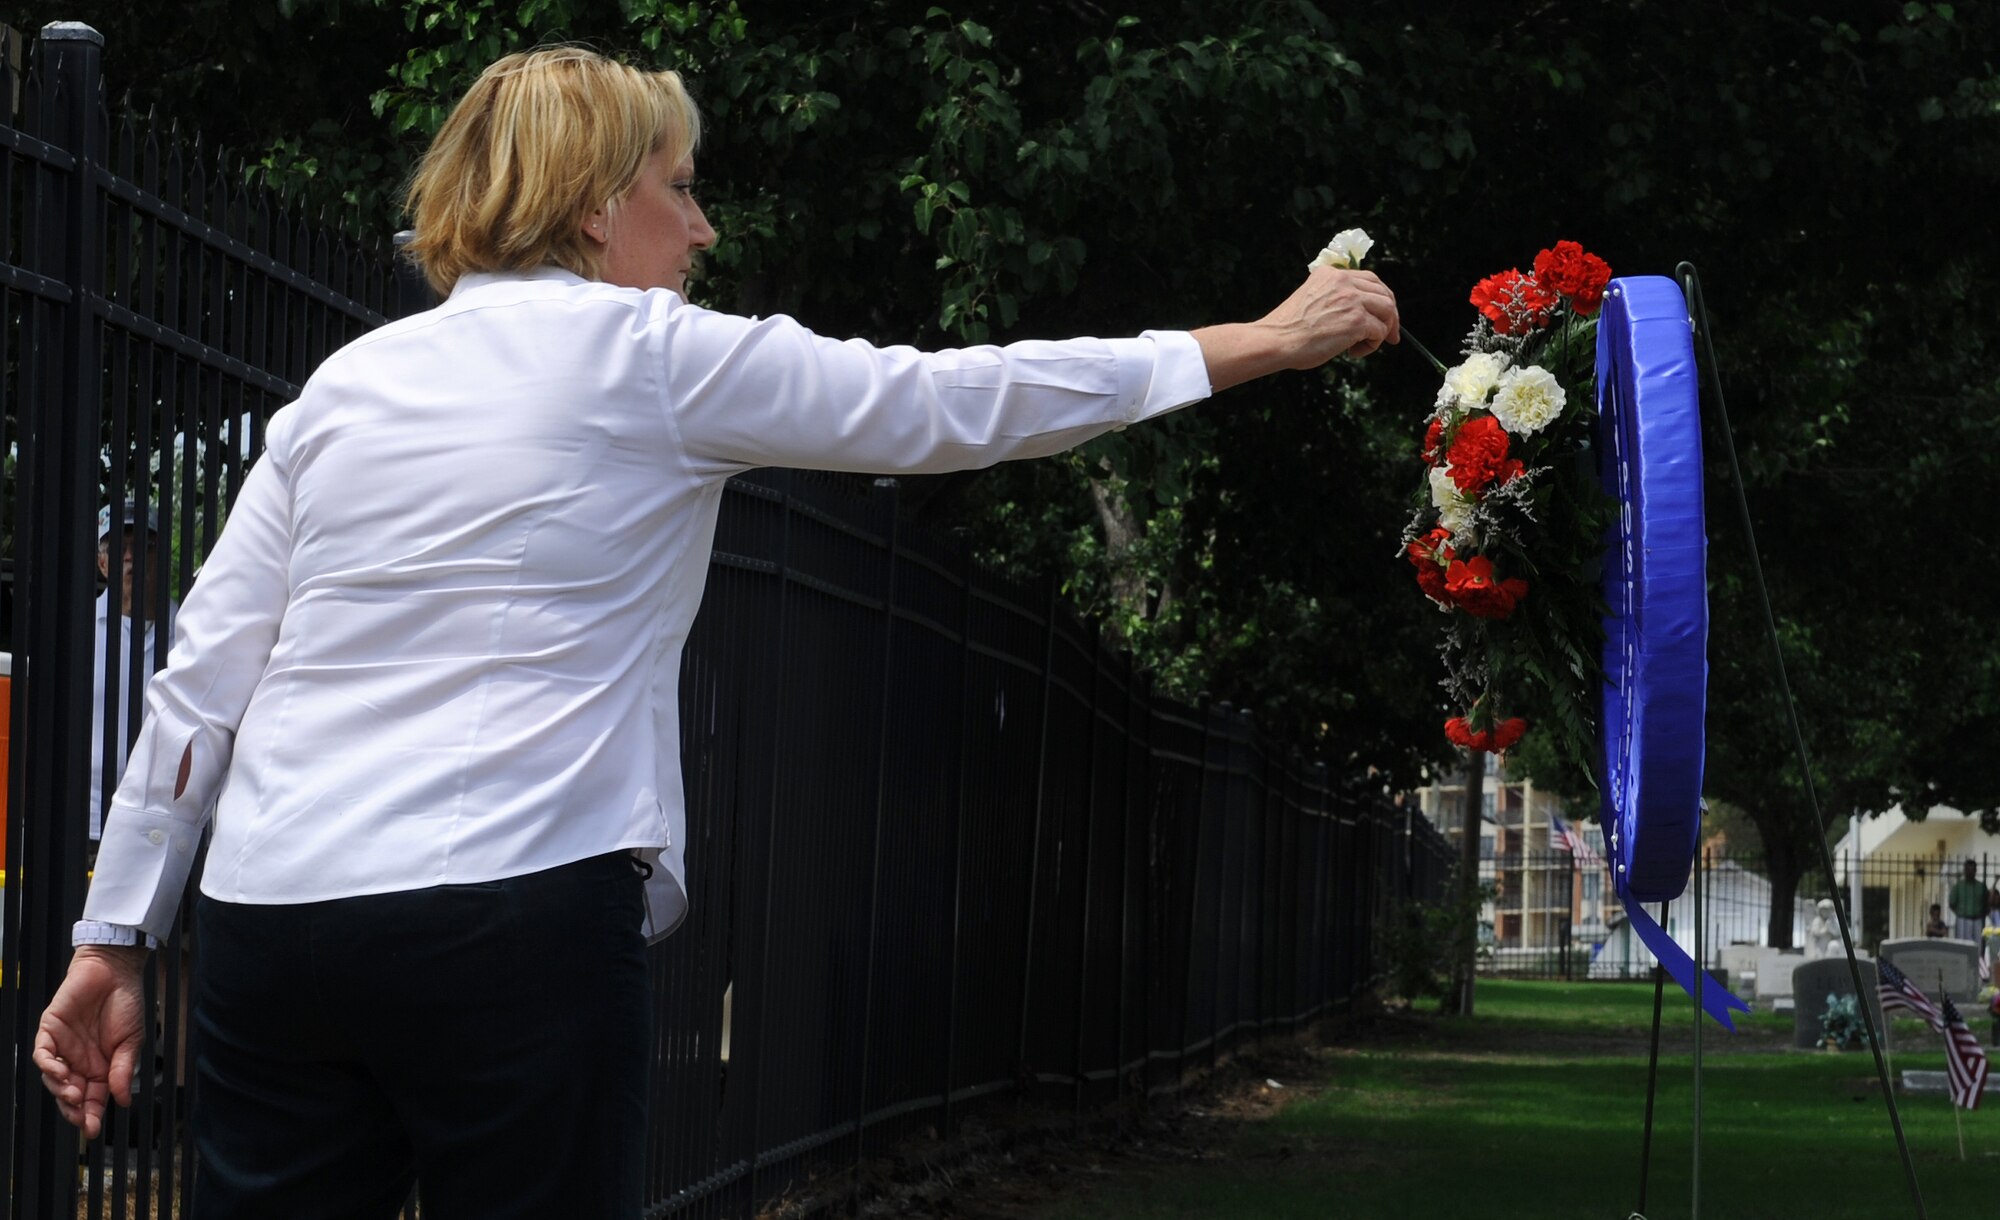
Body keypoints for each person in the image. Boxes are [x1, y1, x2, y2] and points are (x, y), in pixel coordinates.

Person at [32, 45, 1399, 1219]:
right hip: (515, 913)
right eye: (677, 189)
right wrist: (1259, 341)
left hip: (277, 925)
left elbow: (201, 688)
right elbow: (950, 404)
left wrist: (112, 940)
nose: (701, 230)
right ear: (590, 202)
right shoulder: (650, 357)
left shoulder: (341, 389)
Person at [89, 502, 179, 864]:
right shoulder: (79, 629)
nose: (131, 557)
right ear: (102, 562)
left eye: (144, 545)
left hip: (166, 824)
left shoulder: (191, 630)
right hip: (93, 822)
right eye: (118, 548)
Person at [1949, 859, 1986, 941]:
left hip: (1978, 919)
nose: (1970, 872)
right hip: (1962, 919)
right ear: (1964, 871)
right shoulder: (1959, 886)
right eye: (1967, 870)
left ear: (1975, 870)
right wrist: (1959, 913)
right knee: (1962, 945)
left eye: (1972, 870)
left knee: (1978, 944)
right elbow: (1952, 903)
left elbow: (1986, 902)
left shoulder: (1981, 886)